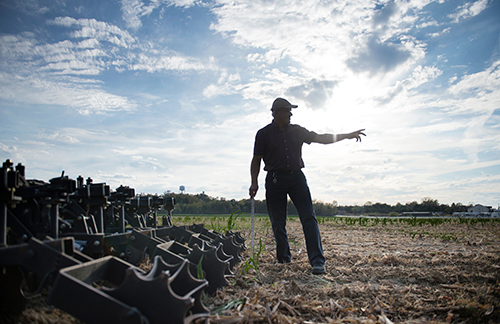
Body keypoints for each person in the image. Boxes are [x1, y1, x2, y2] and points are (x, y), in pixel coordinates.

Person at [249, 97, 366, 274]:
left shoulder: (297, 131)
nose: (291, 114)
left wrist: (346, 135)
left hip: (297, 178)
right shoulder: (263, 134)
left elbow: (321, 138)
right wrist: (254, 182)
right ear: (277, 112)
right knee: (278, 223)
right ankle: (283, 259)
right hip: (274, 180)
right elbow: (256, 159)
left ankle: (317, 261)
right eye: (288, 111)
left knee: (309, 218)